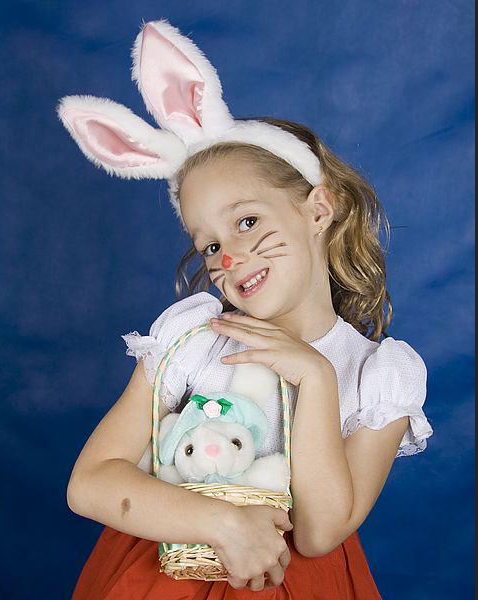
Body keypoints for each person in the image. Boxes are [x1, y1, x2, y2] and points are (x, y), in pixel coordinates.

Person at [57, 19, 433, 599]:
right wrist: (221, 521)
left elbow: (319, 532)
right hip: (160, 579)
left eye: (248, 221)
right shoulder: (197, 339)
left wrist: (314, 374)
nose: (229, 256)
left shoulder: (378, 373)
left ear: (317, 210)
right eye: (210, 244)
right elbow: (89, 485)